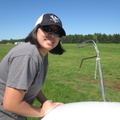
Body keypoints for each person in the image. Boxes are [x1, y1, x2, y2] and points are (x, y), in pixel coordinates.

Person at [0, 13, 66, 120]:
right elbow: (11, 104)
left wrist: (46, 102)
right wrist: (42, 111)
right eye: (47, 29)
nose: (52, 35)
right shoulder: (28, 54)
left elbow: (31, 84)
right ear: (36, 29)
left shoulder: (41, 54)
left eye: (57, 32)